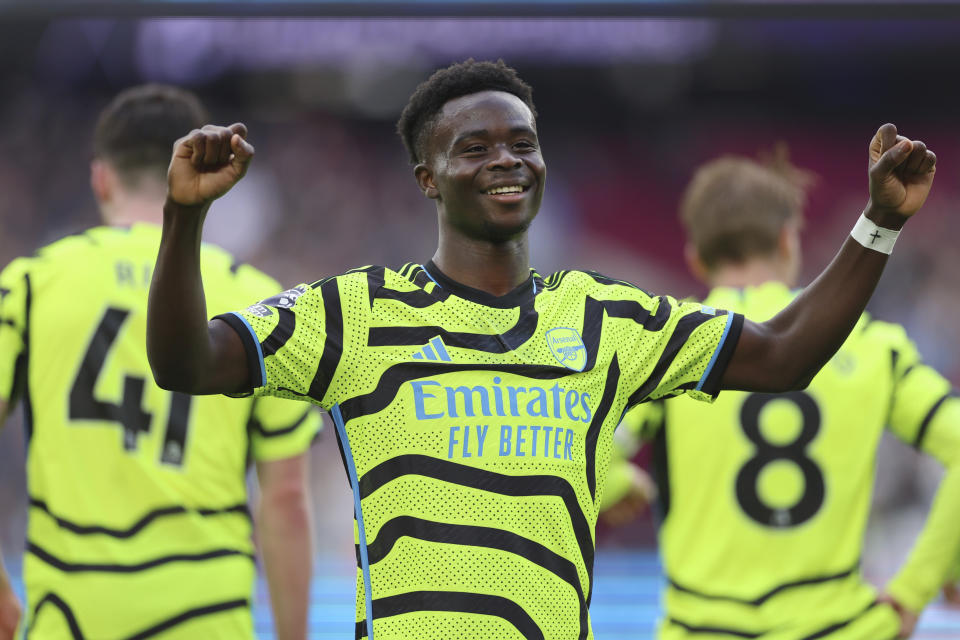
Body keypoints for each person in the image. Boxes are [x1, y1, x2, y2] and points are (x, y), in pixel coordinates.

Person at [145, 59, 937, 640]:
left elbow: (783, 355)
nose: (505, 161)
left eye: (521, 142)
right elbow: (186, 363)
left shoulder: (604, 318)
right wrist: (183, 220)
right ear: (427, 178)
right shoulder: (353, 312)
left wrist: (881, 225)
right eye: (476, 147)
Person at [0, 85, 321, 640]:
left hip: (71, 611)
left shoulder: (30, 284)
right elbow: (286, 497)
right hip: (205, 613)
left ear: (101, 177)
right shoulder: (258, 299)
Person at [603, 152, 960, 638]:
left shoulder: (671, 345)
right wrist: (914, 590)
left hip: (703, 629)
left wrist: (619, 484)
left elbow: (575, 452)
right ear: (788, 241)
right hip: (842, 629)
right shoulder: (877, 347)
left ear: (695, 257)